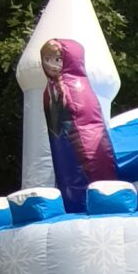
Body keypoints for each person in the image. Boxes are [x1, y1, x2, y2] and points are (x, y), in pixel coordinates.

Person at [41, 36, 119, 212]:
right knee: (68, 174)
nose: (51, 65)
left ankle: (95, 200)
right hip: (64, 145)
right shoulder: (51, 90)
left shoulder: (74, 86)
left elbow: (85, 120)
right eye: (47, 60)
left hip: (83, 150)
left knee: (87, 176)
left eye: (57, 60)